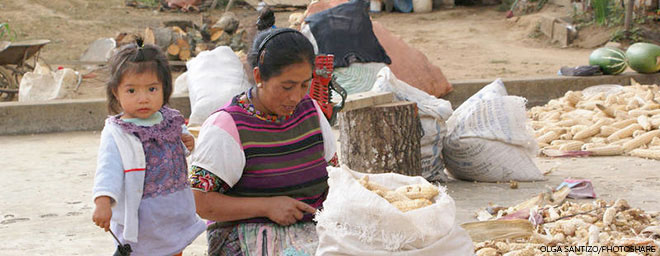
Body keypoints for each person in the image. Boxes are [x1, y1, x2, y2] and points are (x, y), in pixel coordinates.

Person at [189, 28, 339, 255]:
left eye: (304, 85)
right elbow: (200, 202)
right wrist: (267, 206)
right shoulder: (227, 127)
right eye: (287, 86)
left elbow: (334, 175)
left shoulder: (311, 111)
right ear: (259, 77)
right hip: (244, 236)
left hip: (311, 231)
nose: (296, 97)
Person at [92, 42, 206, 256]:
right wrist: (102, 202)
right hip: (143, 216)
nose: (143, 98)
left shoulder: (170, 119)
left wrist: (187, 143)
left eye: (152, 89)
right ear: (116, 92)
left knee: (174, 248)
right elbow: (107, 170)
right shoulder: (118, 132)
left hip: (173, 209)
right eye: (132, 90)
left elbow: (176, 150)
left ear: (164, 88)